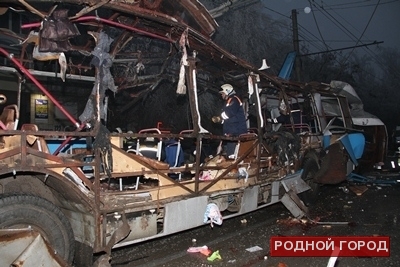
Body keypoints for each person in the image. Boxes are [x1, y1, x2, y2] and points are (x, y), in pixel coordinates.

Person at [213, 83, 247, 159]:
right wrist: (221, 121)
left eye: (222, 93)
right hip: (231, 133)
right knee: (229, 154)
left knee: (233, 156)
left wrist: (220, 118)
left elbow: (230, 112)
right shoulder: (229, 101)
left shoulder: (234, 99)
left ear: (227, 91)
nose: (221, 95)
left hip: (236, 132)